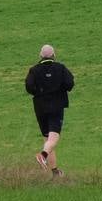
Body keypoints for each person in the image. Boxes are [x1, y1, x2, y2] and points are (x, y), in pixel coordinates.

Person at [25, 44, 74, 177]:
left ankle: (55, 172)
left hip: (40, 107)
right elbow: (70, 84)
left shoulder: (34, 70)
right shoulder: (61, 68)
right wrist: (59, 89)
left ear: (40, 56)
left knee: (48, 139)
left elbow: (29, 86)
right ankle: (43, 155)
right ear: (54, 55)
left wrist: (39, 92)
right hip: (56, 106)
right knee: (54, 137)